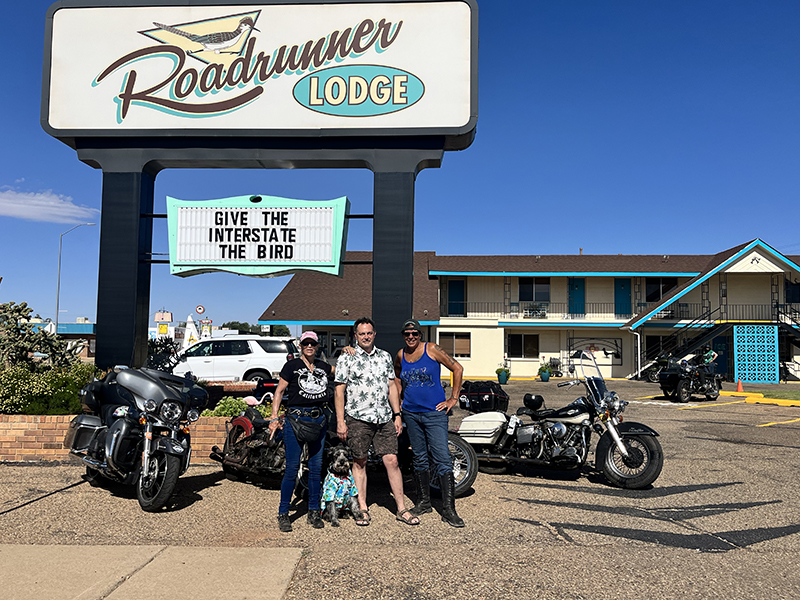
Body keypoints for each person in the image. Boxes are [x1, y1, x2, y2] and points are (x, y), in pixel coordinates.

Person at [334, 317, 418, 526]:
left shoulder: (385, 357)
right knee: (360, 461)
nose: (366, 336)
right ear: (356, 336)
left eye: (369, 333)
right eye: (361, 333)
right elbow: (339, 391)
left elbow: (392, 387)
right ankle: (362, 507)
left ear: (374, 334)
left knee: (392, 461)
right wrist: (340, 421)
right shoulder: (347, 358)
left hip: (383, 417)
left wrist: (397, 415)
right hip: (358, 417)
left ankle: (401, 508)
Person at [394, 318, 466, 527]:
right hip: (411, 414)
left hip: (434, 414)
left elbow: (458, 369)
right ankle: (424, 502)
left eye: (414, 334)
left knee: (442, 458)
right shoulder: (401, 355)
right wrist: (399, 401)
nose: (411, 337)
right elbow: (397, 376)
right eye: (407, 334)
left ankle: (448, 509)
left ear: (420, 335)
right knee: (419, 458)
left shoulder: (432, 349)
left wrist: (453, 398)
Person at [268, 331, 332, 532]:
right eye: (306, 343)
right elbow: (279, 391)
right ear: (301, 346)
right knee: (292, 468)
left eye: (313, 343)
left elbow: (343, 371)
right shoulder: (292, 366)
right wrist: (274, 417)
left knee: (315, 469)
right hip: (295, 419)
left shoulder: (323, 366)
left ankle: (313, 511)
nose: (310, 346)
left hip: (318, 420)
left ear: (317, 345)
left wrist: (348, 350)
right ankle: (283, 513)